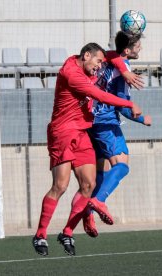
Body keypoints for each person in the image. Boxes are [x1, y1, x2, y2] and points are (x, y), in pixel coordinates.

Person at [32, 42, 143, 256]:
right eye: (97, 62)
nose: (100, 66)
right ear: (86, 56)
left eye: (101, 62)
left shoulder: (88, 62)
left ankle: (67, 232)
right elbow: (99, 95)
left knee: (89, 184)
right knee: (61, 185)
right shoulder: (71, 73)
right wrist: (129, 104)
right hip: (62, 132)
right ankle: (40, 234)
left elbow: (111, 54)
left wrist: (124, 70)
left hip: (82, 132)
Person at [84, 31, 152, 238]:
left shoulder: (106, 59)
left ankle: (88, 212)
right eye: (137, 45)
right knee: (122, 165)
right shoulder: (124, 70)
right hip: (105, 122)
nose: (140, 48)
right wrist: (143, 120)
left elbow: (112, 54)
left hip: (89, 119)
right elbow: (123, 107)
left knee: (102, 169)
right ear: (128, 49)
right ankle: (98, 201)